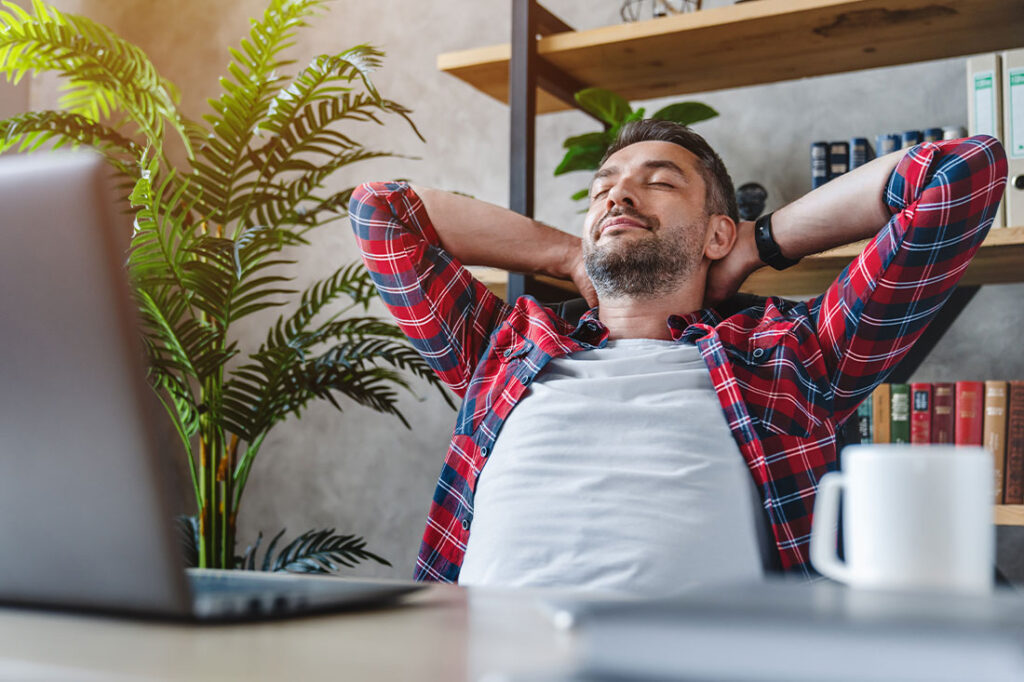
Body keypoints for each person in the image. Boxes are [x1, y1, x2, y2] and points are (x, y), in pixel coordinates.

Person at [348, 119, 1006, 595]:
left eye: (658, 183)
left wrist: (760, 241)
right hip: (489, 659)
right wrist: (569, 254)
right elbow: (381, 211)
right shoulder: (504, 346)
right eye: (604, 187)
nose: (618, 195)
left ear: (717, 232)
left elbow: (960, 174)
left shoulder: (791, 355)